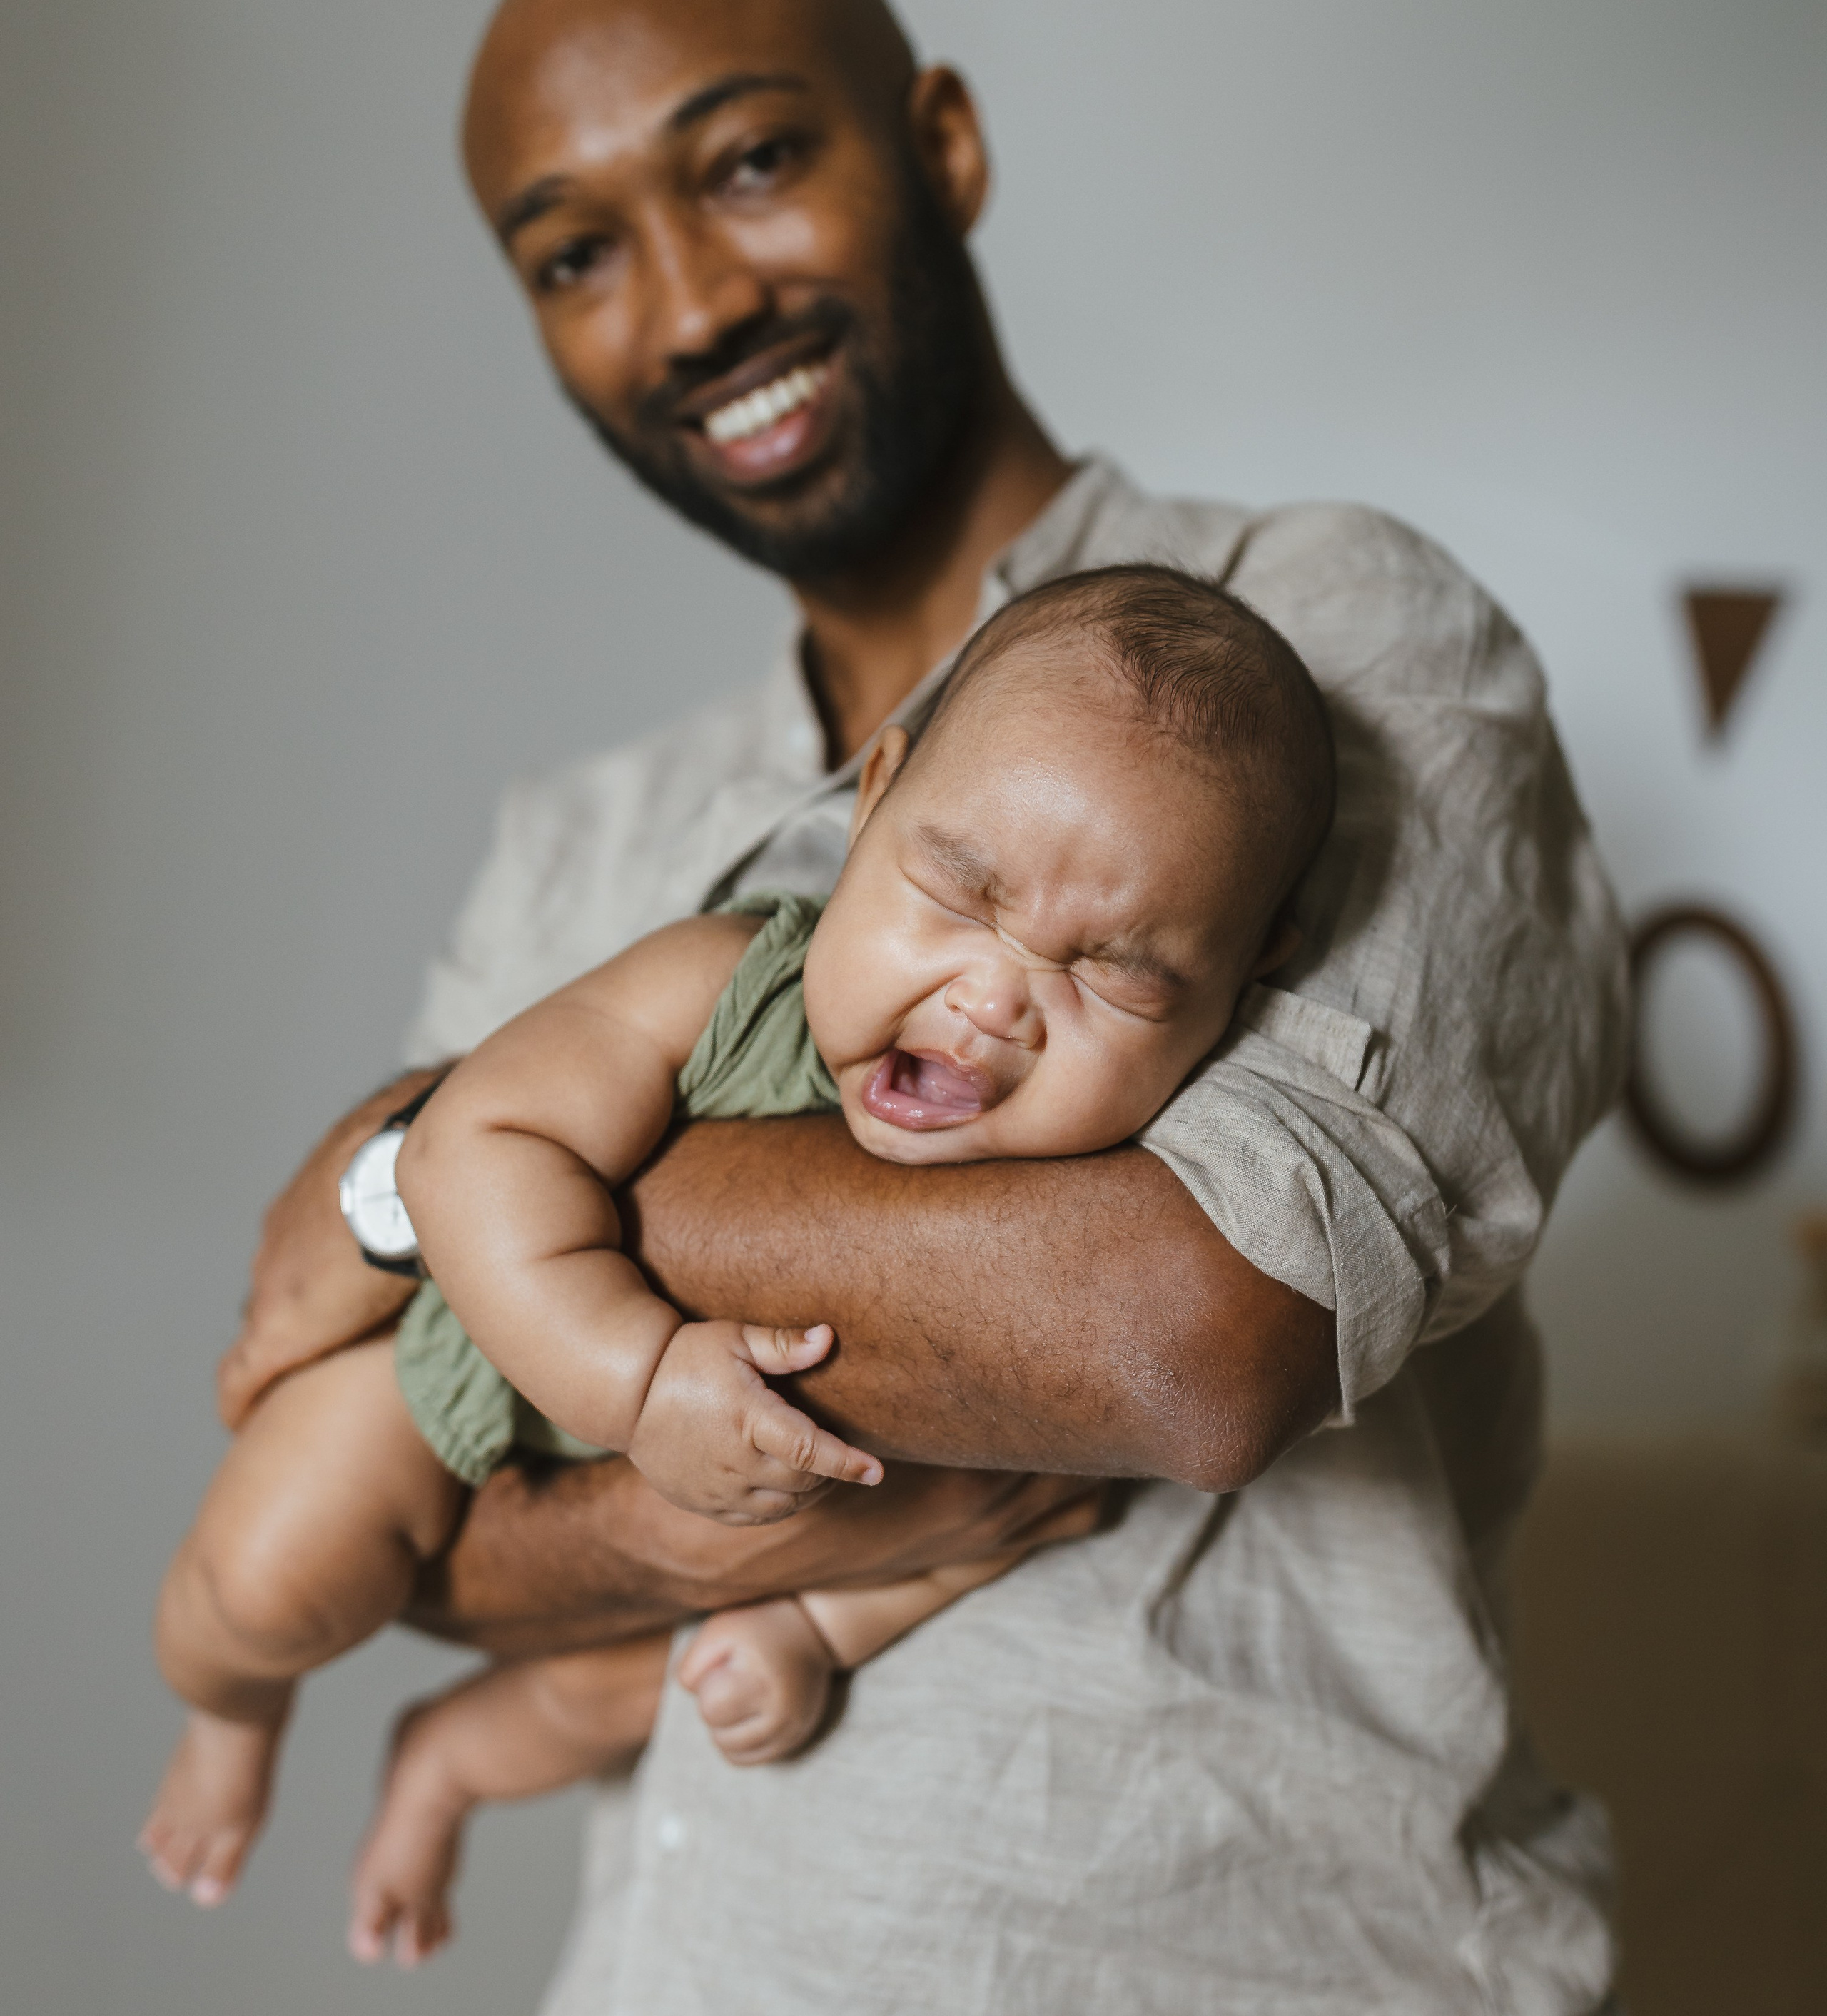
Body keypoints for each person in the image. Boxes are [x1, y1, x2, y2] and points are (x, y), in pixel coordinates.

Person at [206, 0, 1629, 2012]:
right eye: (574, 251)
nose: (687, 303)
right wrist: (681, 1524)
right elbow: (393, 1509)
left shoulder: (1333, 641)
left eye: (752, 159)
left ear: (941, 143)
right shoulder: (577, 837)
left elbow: (1186, 1327)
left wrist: (458, 1160)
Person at [143, 565, 1337, 1967]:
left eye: (1115, 977)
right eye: (955, 892)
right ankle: (232, 1707)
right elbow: (475, 1141)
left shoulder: (1108, 1207)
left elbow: (1020, 1517)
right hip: (463, 1368)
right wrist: (638, 1376)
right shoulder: (721, 981)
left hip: (753, 1548)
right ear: (871, 799)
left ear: (1241, 988)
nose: (991, 997)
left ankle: (446, 1765)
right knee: (265, 1583)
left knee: (676, 1689)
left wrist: (822, 1629)